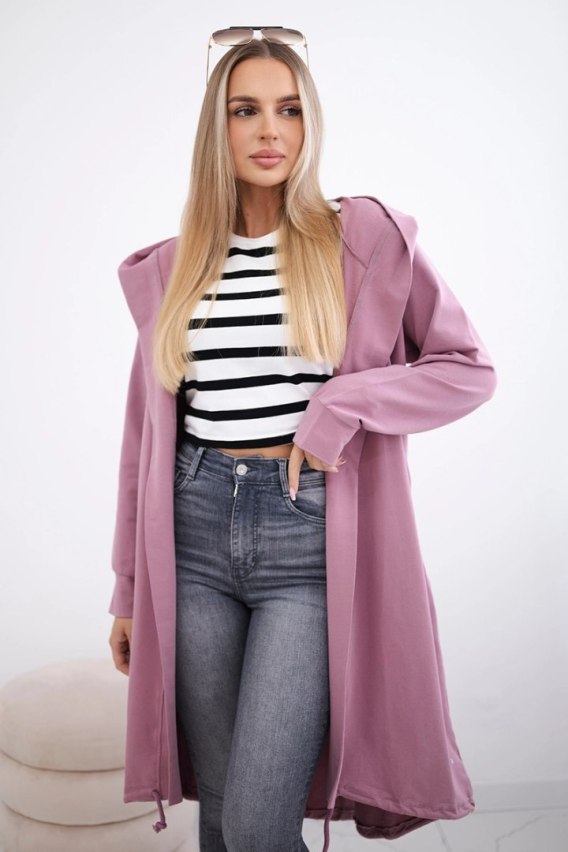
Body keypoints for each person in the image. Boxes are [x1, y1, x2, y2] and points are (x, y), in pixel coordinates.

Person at [108, 27, 497, 852]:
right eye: (245, 110)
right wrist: (127, 588)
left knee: (258, 823)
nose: (269, 130)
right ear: (217, 127)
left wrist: (340, 406)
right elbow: (142, 443)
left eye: (288, 110)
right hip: (192, 539)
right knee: (223, 814)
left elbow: (467, 368)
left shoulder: (361, 240)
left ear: (310, 123)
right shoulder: (176, 268)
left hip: (309, 546)